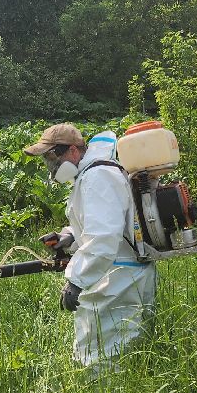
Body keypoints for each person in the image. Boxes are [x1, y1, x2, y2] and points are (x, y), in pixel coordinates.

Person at [23, 123, 157, 371]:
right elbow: (103, 224)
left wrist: (76, 280)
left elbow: (104, 237)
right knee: (111, 353)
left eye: (52, 157)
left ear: (73, 150)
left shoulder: (98, 176)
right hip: (114, 273)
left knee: (106, 358)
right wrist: (69, 236)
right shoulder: (91, 174)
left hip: (119, 280)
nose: (51, 165)